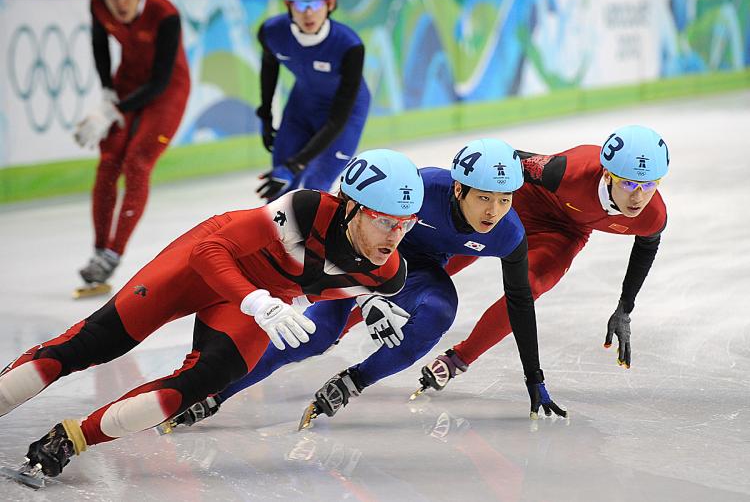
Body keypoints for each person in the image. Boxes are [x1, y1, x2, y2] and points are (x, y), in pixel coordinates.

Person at [0, 149, 424, 484]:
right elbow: (210, 253)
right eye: (385, 220)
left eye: (407, 224)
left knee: (206, 379)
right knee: (98, 342)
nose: (395, 235)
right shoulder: (304, 209)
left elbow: (346, 286)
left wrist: (367, 301)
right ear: (349, 207)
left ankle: (73, 439)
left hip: (263, 296)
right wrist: (258, 302)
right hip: (207, 262)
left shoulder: (387, 273)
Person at [165, 138, 565, 433]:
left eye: (505, 200)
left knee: (440, 312)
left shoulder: (508, 234)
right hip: (356, 257)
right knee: (316, 336)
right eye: (483, 198)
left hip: (415, 270)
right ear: (458, 188)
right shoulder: (420, 190)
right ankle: (214, 392)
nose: (494, 212)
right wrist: (371, 294)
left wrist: (535, 377)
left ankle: (353, 381)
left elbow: (520, 302)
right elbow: (345, 232)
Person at [415, 125, 669, 397]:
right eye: (628, 183)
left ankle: (457, 360)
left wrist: (624, 308)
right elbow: (502, 161)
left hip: (564, 233)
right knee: (441, 264)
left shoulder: (652, 216)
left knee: (529, 286)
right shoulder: (567, 172)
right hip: (516, 209)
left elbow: (646, 248)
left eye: (649, 185)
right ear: (607, 174)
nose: (638, 197)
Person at [73, 0, 191, 295]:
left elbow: (159, 82)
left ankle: (114, 252)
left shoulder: (165, 14)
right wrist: (107, 92)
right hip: (126, 84)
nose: (120, 2)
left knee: (137, 162)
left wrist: (112, 110)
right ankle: (98, 251)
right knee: (108, 161)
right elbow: (99, 45)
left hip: (167, 89)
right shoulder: (97, 4)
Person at [254, 0, 371, 204]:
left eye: (316, 3)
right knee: (279, 190)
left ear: (330, 4)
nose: (308, 12)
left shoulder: (349, 46)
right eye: (300, 4)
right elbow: (269, 67)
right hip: (302, 105)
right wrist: (265, 116)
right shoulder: (271, 32)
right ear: (288, 5)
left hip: (344, 114)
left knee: (315, 189)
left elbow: (338, 118)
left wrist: (297, 163)